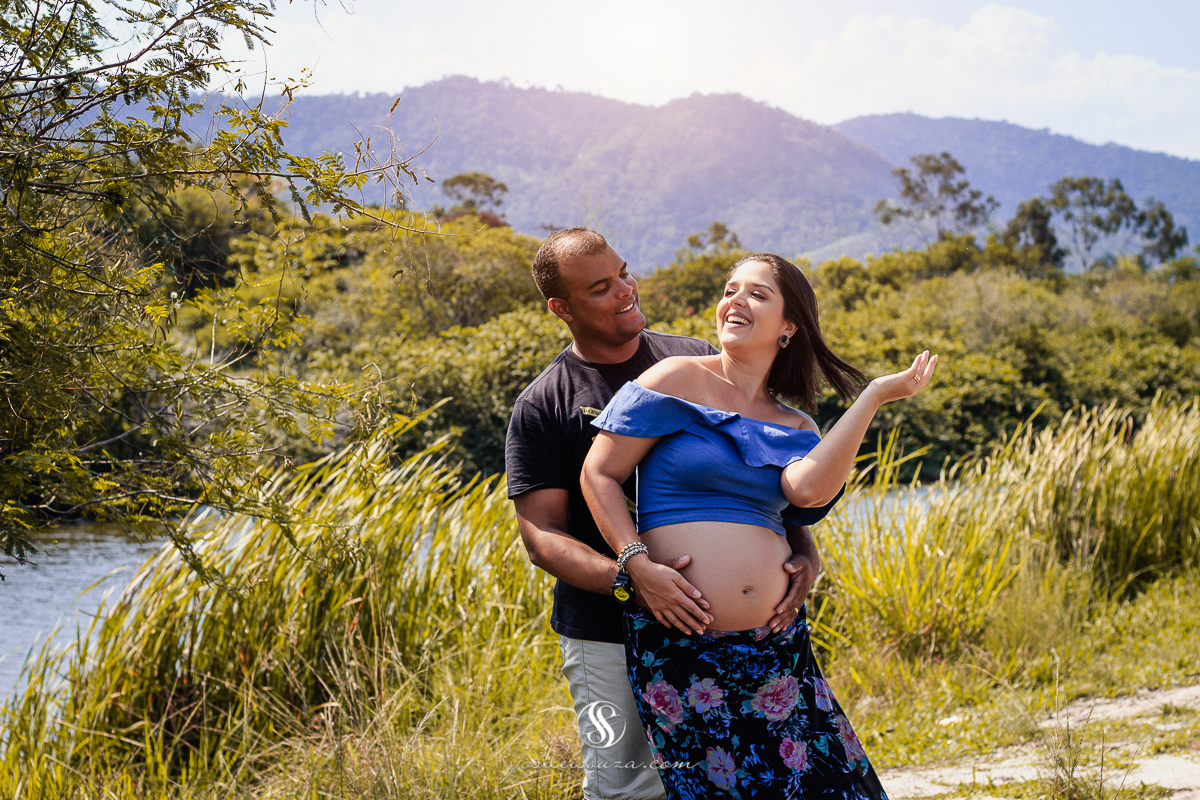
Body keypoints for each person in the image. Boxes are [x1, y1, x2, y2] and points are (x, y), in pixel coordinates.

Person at [581, 252, 938, 799]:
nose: (735, 300)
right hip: (683, 641)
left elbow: (807, 494)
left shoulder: (794, 424)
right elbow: (599, 474)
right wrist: (636, 565)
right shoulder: (676, 378)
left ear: (789, 326)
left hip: (776, 644)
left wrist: (873, 395)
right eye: (730, 289)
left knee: (824, 787)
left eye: (757, 293)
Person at [506, 230, 826, 800]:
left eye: (624, 273)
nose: (625, 291)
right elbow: (541, 535)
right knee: (626, 787)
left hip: (716, 635)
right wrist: (635, 578)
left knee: (734, 779)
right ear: (561, 308)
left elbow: (756, 470)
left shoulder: (695, 360)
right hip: (605, 633)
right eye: (601, 288)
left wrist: (802, 550)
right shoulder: (544, 401)